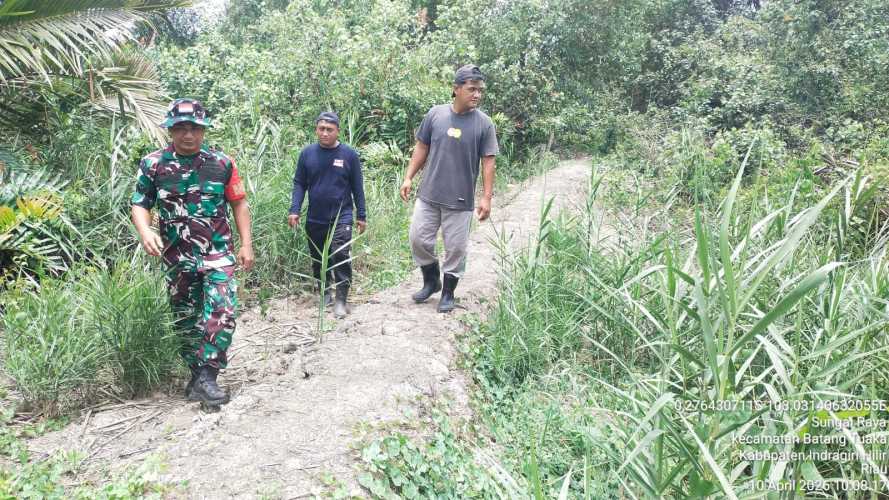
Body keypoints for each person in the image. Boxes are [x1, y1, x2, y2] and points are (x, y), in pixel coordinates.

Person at [131, 98, 254, 407]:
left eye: (195, 129)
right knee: (186, 319)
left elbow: (238, 202)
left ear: (204, 130)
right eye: (181, 128)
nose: (188, 135)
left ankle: (209, 376)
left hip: (218, 253)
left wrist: (246, 243)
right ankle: (197, 376)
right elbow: (140, 203)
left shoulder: (222, 163)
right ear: (171, 130)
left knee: (222, 310)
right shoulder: (153, 164)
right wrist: (146, 231)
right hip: (176, 257)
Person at [399, 64, 498, 313]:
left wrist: (486, 198)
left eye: (480, 90)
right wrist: (408, 177)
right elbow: (422, 147)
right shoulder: (436, 114)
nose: (477, 95)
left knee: (456, 248)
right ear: (456, 89)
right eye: (472, 89)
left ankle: (448, 292)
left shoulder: (484, 124)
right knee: (418, 239)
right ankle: (431, 280)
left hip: (460, 199)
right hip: (429, 194)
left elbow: (489, 162)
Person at [288, 111, 367, 319]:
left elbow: (358, 187)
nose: (325, 133)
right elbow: (299, 183)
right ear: (316, 129)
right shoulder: (307, 154)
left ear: (337, 131)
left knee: (340, 256)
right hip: (315, 217)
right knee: (318, 258)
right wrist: (294, 209)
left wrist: (362, 215)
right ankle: (324, 293)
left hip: (342, 216)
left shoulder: (349, 155)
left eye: (329, 129)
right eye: (321, 129)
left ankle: (341, 299)